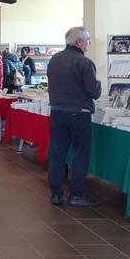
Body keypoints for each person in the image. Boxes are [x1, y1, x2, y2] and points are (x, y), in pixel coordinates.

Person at [46, 26, 102, 207]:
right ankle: (77, 194)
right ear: (79, 42)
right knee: (80, 154)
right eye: (88, 40)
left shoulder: (54, 59)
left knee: (57, 153)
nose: (89, 43)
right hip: (79, 113)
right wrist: (99, 84)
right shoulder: (85, 62)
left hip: (57, 112)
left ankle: (56, 194)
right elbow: (93, 92)